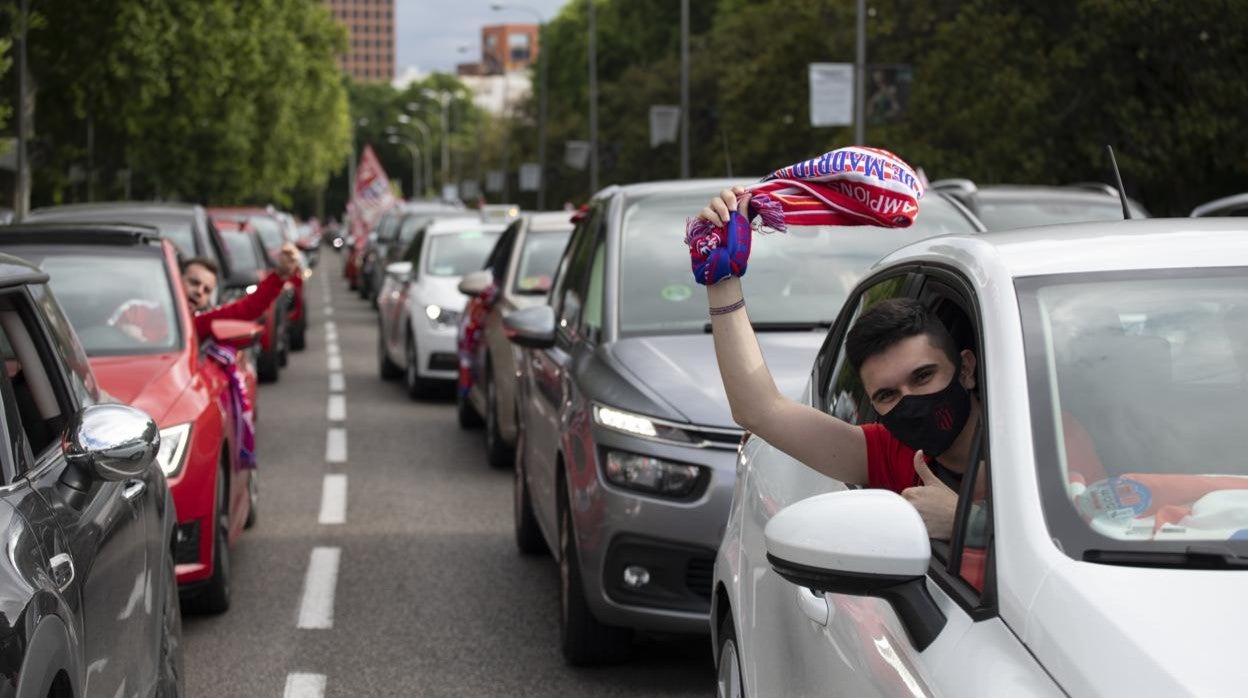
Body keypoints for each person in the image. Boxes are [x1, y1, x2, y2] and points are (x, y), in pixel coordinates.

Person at [692, 160, 973, 539]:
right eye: (887, 395)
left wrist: (967, 524)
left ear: (966, 368)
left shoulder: (1042, 443)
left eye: (923, 376)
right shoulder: (893, 454)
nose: (911, 402)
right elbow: (759, 410)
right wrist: (721, 278)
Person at [184, 242, 302, 340]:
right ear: (177, 279)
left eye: (207, 290)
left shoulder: (199, 323)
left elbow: (247, 309)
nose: (199, 292)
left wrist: (279, 275)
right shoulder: (172, 327)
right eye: (194, 283)